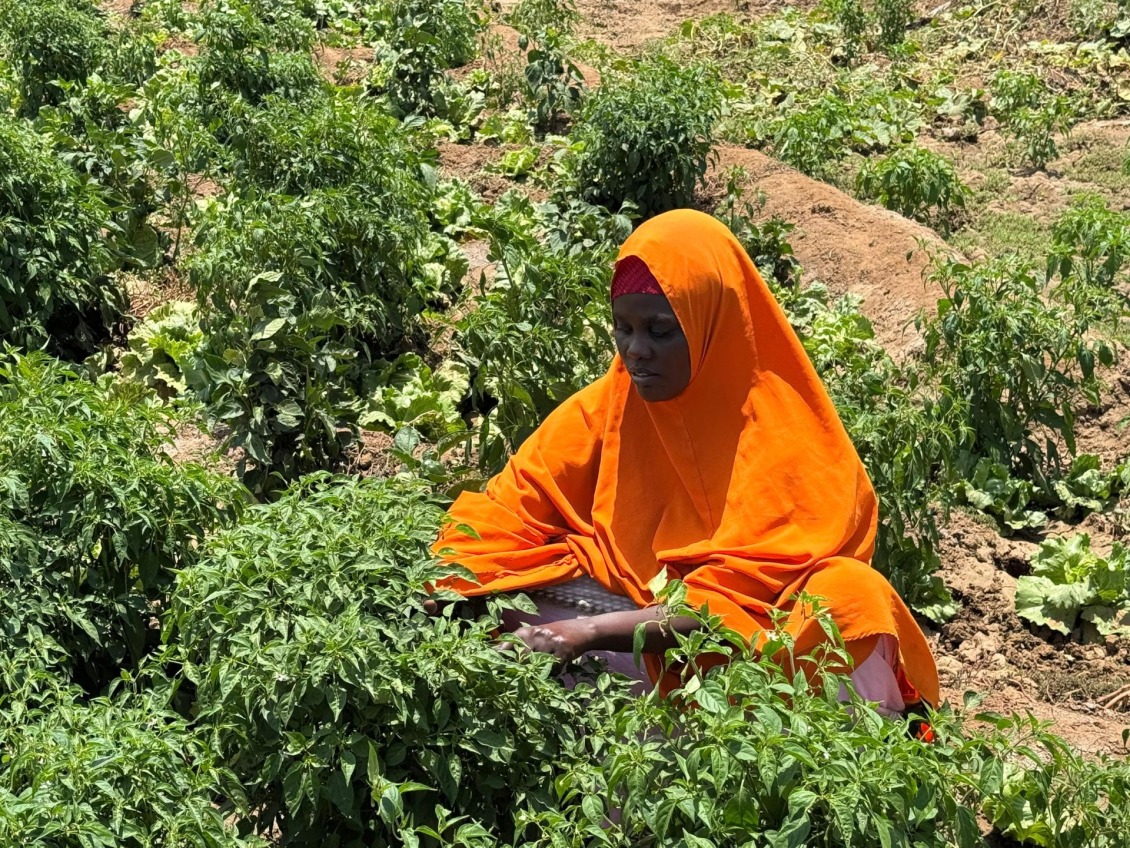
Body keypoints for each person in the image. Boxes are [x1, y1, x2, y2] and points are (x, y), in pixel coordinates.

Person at [432, 209, 939, 714]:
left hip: (743, 648)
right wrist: (442, 584)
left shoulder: (785, 434)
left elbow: (740, 604)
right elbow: (508, 507)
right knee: (506, 589)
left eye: (659, 331)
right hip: (640, 613)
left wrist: (583, 633)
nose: (636, 351)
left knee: (852, 602)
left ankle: (819, 771)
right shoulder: (610, 405)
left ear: (709, 324)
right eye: (623, 328)